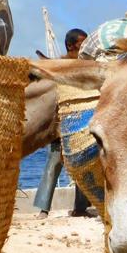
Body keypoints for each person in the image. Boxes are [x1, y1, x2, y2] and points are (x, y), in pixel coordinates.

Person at [34, 28, 94, 217]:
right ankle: (43, 209)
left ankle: (80, 208)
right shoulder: (60, 65)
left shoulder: (85, 66)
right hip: (59, 122)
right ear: (70, 45)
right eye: (81, 44)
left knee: (82, 164)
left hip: (79, 121)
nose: (84, 48)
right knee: (53, 164)